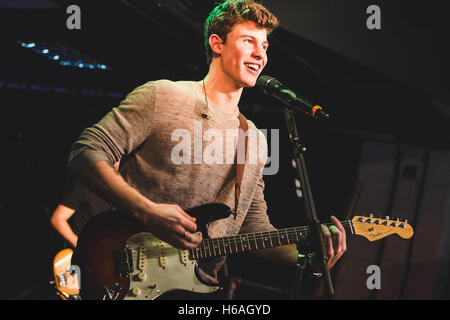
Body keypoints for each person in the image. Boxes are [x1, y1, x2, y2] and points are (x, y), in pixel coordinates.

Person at [68, 0, 346, 295]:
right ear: (217, 44)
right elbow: (85, 151)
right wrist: (146, 211)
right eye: (248, 41)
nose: (259, 54)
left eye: (264, 46)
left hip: (196, 290)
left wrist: (308, 258)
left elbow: (253, 229)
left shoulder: (255, 140)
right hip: (130, 272)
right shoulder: (162, 95)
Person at [50, 162, 119, 248]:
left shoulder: (123, 188)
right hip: (88, 249)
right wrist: (80, 246)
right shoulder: (86, 186)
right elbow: (57, 219)